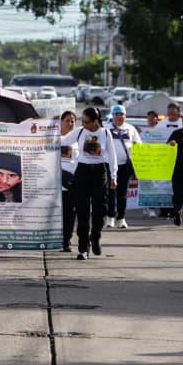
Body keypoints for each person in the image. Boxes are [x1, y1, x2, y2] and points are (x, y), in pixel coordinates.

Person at [59, 107, 118, 260]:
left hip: (99, 173)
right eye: (82, 121)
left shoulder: (105, 133)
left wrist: (114, 175)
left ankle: (95, 236)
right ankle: (83, 248)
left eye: (86, 122)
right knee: (82, 212)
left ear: (95, 121)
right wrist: (46, 130)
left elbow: (112, 156)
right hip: (82, 172)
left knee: (100, 211)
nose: (83, 124)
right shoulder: (80, 132)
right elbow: (62, 140)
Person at [106, 104, 140, 229]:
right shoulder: (105, 128)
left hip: (125, 166)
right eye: (116, 114)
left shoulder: (131, 128)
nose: (119, 116)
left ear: (125, 116)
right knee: (110, 192)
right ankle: (110, 218)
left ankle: (121, 218)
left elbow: (139, 145)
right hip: (109, 165)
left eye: (122, 114)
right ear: (112, 115)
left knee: (122, 193)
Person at [58, 111, 79, 252]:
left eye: (72, 121)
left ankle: (66, 241)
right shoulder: (53, 138)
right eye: (67, 120)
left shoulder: (78, 141)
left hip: (71, 184)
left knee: (69, 215)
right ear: (60, 122)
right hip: (54, 184)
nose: (70, 124)